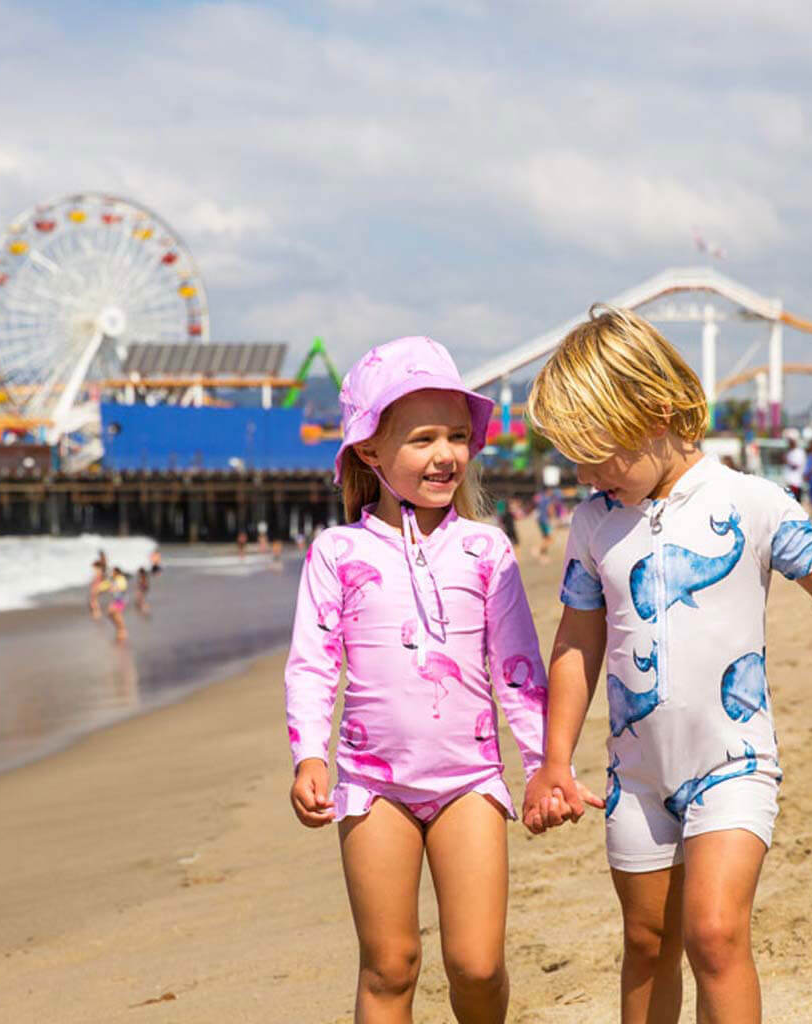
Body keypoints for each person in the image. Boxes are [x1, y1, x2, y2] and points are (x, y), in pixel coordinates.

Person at [522, 306, 812, 1024]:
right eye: (573, 458)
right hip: (638, 775)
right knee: (646, 940)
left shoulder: (750, 502)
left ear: (654, 412)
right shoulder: (594, 524)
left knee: (714, 935)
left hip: (734, 760)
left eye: (595, 452)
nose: (585, 472)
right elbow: (576, 643)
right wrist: (553, 757)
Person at [284, 337, 558, 1023]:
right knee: (390, 965)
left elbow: (518, 666)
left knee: (477, 963)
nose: (446, 455)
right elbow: (313, 662)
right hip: (373, 786)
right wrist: (309, 755)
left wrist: (542, 762)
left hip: (469, 778)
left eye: (459, 437)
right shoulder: (337, 552)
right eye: (425, 438)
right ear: (370, 450)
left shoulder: (485, 547)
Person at [107, 567, 129, 643]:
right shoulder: (115, 579)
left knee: (116, 614)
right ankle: (120, 629)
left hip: (121, 599)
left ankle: (122, 630)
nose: (111, 573)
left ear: (116, 572)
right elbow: (110, 588)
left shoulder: (121, 578)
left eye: (112, 572)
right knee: (111, 613)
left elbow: (123, 587)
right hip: (117, 599)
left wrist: (114, 588)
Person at [782, 437, 805, 501]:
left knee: (795, 502)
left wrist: (786, 461)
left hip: (795, 482)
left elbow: (796, 466)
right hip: (789, 481)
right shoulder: (790, 451)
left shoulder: (799, 452)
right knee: (789, 500)